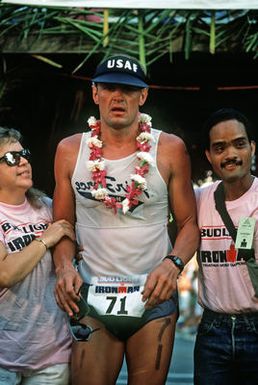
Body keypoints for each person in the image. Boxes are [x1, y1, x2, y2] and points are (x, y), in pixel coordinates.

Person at [53, 54, 199, 385]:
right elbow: (61, 227)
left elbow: (190, 224)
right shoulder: (69, 151)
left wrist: (173, 263)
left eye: (129, 89)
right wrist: (63, 268)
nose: (118, 96)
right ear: (95, 93)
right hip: (92, 296)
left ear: (143, 96)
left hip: (153, 297)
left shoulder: (169, 149)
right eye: (109, 87)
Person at [0, 127, 75, 385]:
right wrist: (45, 240)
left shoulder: (48, 207)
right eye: (11, 159)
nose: (23, 162)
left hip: (52, 354)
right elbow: (5, 274)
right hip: (4, 357)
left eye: (24, 155)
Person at [194, 108, 258, 385]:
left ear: (252, 148)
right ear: (209, 156)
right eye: (220, 148)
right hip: (212, 332)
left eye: (239, 144)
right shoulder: (197, 200)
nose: (230, 154)